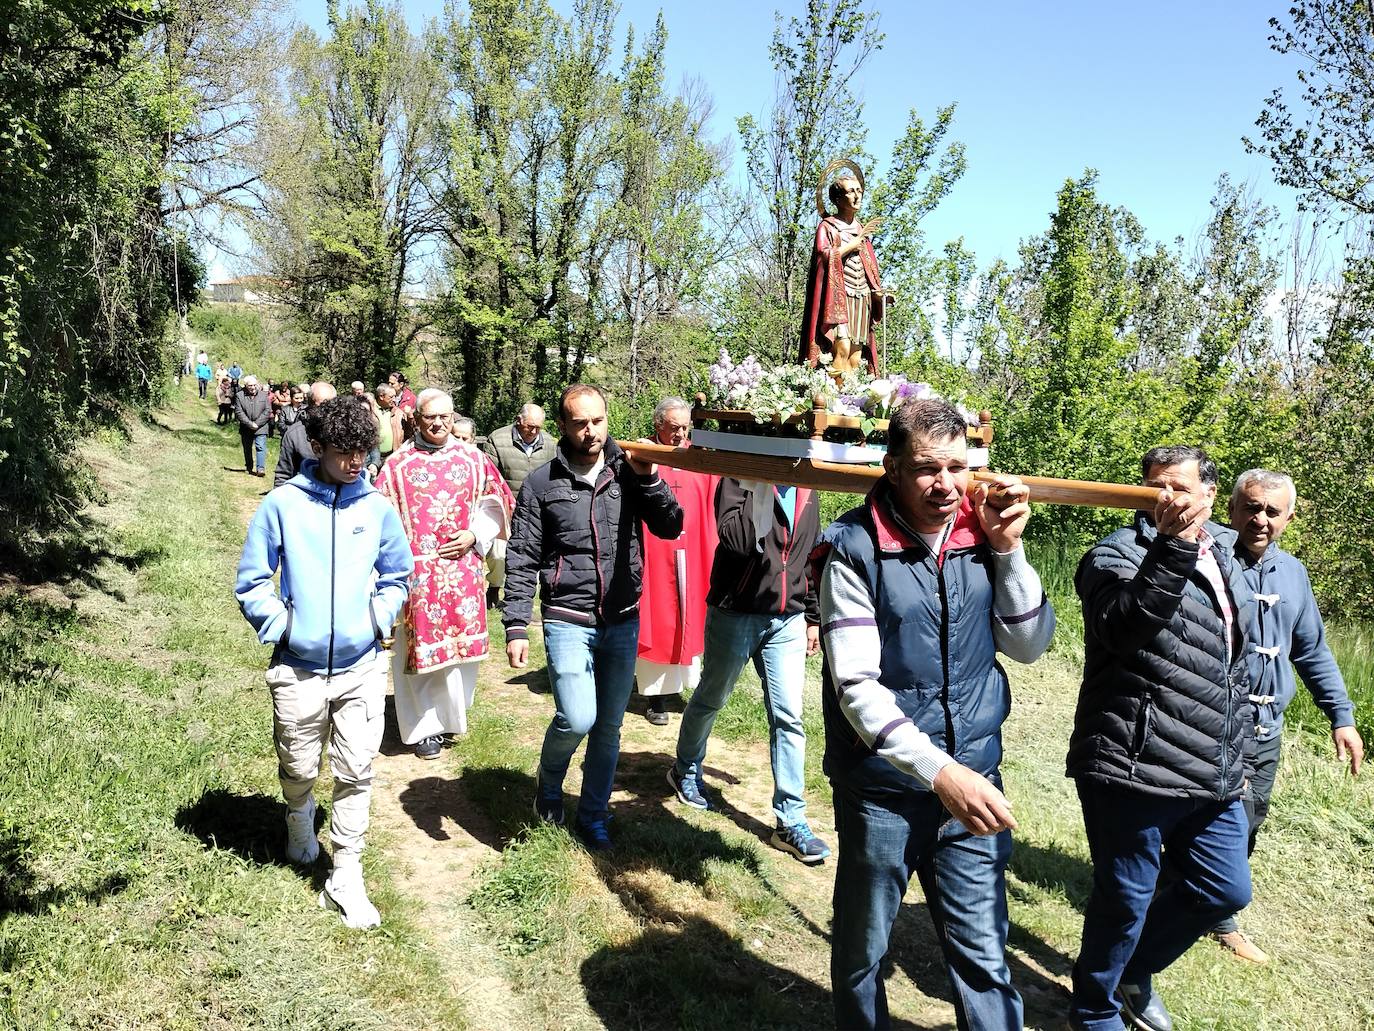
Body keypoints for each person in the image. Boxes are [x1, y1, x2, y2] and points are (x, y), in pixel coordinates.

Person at [814, 398, 1055, 1029]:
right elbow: (857, 690)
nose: (944, 484)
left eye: (957, 466)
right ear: (892, 468)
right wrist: (939, 773)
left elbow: (1028, 646)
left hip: (974, 780)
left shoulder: (982, 534)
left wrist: (1009, 551)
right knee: (865, 951)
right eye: (926, 468)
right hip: (885, 791)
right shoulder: (854, 548)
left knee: (984, 956)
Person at [1066, 445, 1256, 1031]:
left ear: (1207, 495)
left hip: (1213, 766)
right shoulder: (1113, 555)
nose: (1164, 498)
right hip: (1133, 759)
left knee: (1224, 889)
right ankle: (1094, 1009)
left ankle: (1131, 972)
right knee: (1125, 900)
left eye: (1177, 487)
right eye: (1155, 486)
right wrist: (1171, 548)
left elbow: (1231, 652)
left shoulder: (1227, 553)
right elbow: (1124, 628)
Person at [235, 397, 413, 929]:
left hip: (361, 665)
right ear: (317, 446)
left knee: (358, 768)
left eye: (364, 451)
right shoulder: (282, 505)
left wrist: (377, 621)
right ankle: (298, 815)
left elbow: (397, 576)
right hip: (299, 666)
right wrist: (285, 626)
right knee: (298, 761)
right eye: (344, 452)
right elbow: (251, 581)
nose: (356, 462)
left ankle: (347, 874)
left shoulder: (377, 507)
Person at [503, 384, 682, 850]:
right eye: (580, 423)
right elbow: (522, 554)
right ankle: (548, 783)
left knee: (609, 727)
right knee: (578, 717)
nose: (590, 432)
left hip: (622, 617)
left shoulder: (629, 471)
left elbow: (671, 525)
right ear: (562, 426)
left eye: (597, 421)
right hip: (567, 615)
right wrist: (517, 624)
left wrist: (649, 479)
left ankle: (594, 814)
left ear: (607, 419)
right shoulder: (543, 483)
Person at [1203, 468, 1364, 964]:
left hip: (1266, 730)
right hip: (1212, 723)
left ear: (1289, 517)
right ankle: (1199, 907)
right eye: (1251, 507)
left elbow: (1311, 649)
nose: (1260, 519)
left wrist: (1341, 714)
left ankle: (1213, 912)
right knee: (1201, 817)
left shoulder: (1293, 574)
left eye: (1273, 511)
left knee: (1250, 821)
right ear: (1231, 509)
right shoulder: (1208, 559)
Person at [667, 462, 830, 863]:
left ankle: (790, 820)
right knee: (712, 697)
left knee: (789, 716)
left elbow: (811, 555)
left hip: (787, 618)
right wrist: (759, 485)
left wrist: (812, 616)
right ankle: (685, 768)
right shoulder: (736, 479)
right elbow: (737, 540)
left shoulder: (808, 487)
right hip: (736, 612)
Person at [377, 389, 514, 759]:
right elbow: (378, 520)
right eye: (429, 417)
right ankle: (424, 729)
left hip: (463, 570)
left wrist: (474, 534)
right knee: (420, 654)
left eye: (444, 417)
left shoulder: (473, 459)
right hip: (418, 576)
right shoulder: (397, 466)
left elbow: (497, 504)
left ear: (453, 418)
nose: (438, 423)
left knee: (457, 657)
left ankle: (451, 718)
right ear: (416, 419)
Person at [635, 397, 717, 726]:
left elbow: (713, 500)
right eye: (674, 428)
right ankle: (656, 697)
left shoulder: (698, 459)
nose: (681, 434)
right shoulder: (645, 457)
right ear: (658, 426)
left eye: (685, 427)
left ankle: (685, 687)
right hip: (656, 552)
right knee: (660, 617)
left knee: (691, 616)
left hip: (693, 551)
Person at [799, 161, 886, 374]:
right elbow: (823, 257)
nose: (857, 196)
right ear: (837, 198)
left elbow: (870, 271)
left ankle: (850, 399)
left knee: (856, 356)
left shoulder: (862, 231)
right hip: (838, 296)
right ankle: (833, 399)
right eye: (850, 192)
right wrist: (850, 246)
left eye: (859, 190)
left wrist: (879, 294)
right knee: (842, 348)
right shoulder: (828, 227)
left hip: (862, 297)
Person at [483, 403, 559, 605]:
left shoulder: (551, 444)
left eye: (538, 427)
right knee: (499, 555)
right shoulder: (498, 440)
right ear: (518, 421)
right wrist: (504, 502)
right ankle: (494, 587)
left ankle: (522, 598)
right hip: (505, 507)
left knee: (532, 556)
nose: (533, 431)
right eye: (529, 426)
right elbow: (490, 476)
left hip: (536, 511)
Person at [275, 382, 337, 488]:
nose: (327, 411)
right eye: (322, 406)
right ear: (310, 405)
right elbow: (284, 475)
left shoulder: (345, 431)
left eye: (331, 405)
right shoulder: (294, 434)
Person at [233, 375, 271, 477]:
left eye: (255, 385)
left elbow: (268, 411)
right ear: (245, 386)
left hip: (261, 426)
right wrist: (250, 424)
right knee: (247, 448)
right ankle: (249, 467)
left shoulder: (264, 395)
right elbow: (239, 412)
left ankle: (260, 469)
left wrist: (257, 423)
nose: (253, 387)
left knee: (260, 446)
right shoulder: (239, 396)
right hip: (246, 427)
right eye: (250, 385)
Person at [374, 383, 404, 463]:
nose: (394, 399)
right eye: (391, 397)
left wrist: (410, 417)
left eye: (395, 396)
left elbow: (409, 431)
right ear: (381, 397)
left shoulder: (398, 412)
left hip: (391, 456)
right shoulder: (370, 410)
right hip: (372, 458)